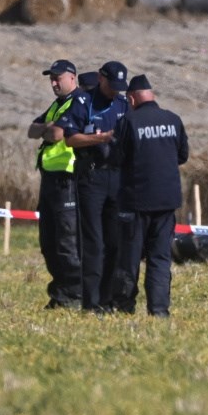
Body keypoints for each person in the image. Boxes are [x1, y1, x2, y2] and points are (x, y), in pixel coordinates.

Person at [110, 74, 188, 317]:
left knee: (129, 258)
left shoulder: (129, 122)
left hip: (135, 203)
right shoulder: (173, 120)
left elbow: (116, 158)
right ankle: (159, 309)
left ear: (132, 98)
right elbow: (182, 156)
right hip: (166, 203)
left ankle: (124, 307)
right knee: (160, 259)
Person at [66, 61, 130, 312]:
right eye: (111, 85)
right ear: (101, 79)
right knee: (94, 243)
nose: (115, 90)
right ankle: (91, 302)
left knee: (114, 243)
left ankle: (108, 298)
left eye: (119, 87)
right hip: (92, 178)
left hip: (117, 178)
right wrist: (99, 138)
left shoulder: (123, 104)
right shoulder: (83, 102)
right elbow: (70, 138)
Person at [26, 59, 88, 309]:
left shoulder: (78, 103)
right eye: (51, 78)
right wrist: (47, 127)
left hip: (68, 179)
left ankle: (74, 294)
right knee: (48, 242)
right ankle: (60, 292)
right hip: (50, 181)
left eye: (58, 78)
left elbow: (56, 134)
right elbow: (32, 130)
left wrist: (48, 129)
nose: (53, 83)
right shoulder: (57, 105)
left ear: (72, 78)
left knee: (67, 242)